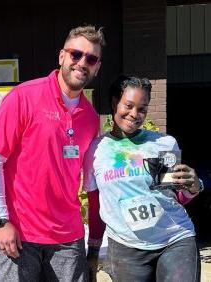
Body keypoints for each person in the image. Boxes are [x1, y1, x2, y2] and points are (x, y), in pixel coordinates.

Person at [0, 24, 105, 282]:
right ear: (62, 56)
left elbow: (92, 180)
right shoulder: (24, 97)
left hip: (67, 237)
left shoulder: (91, 118)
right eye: (76, 54)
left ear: (97, 67)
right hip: (18, 233)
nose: (82, 63)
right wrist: (1, 222)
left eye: (91, 59)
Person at [84, 76, 204, 282]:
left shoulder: (162, 143)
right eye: (128, 106)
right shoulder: (96, 151)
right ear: (115, 103)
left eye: (142, 108)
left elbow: (175, 196)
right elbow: (95, 205)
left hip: (174, 239)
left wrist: (192, 188)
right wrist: (93, 251)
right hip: (125, 248)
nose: (134, 114)